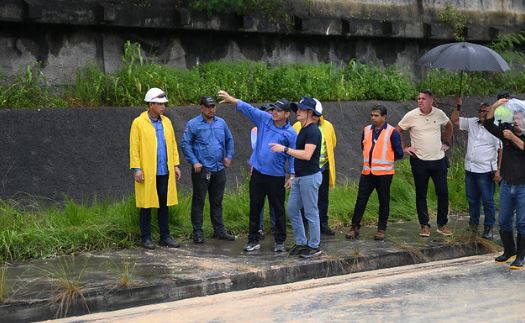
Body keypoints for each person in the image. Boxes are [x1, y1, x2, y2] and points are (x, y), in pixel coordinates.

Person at [218, 90, 296, 253]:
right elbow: (250, 109)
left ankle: (280, 241)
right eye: (274, 109)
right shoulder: (265, 119)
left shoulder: (290, 133)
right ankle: (253, 240)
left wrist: (292, 174)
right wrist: (233, 100)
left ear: (287, 114)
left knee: (278, 208)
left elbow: (293, 155)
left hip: (276, 176)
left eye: (279, 110)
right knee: (255, 206)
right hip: (258, 173)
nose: (275, 112)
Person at [129, 87, 182, 250]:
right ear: (151, 104)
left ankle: (165, 236)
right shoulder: (138, 123)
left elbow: (172, 144)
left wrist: (175, 164)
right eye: (159, 104)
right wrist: (137, 168)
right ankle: (145, 237)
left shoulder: (166, 122)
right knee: (146, 204)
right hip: (147, 170)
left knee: (164, 203)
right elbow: (134, 147)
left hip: (164, 170)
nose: (163, 107)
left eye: (164, 104)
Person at [396, 90, 453, 237]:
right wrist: (404, 148)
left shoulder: (439, 113)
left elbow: (449, 126)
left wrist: (446, 142)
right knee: (421, 193)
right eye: (419, 99)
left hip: (439, 160)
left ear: (431, 101)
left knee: (443, 192)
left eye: (423, 99)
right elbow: (398, 130)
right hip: (419, 161)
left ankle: (442, 224)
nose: (420, 101)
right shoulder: (411, 115)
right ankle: (424, 225)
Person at [271, 97, 323, 259]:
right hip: (300, 177)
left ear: (310, 113)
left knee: (311, 212)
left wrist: (284, 149)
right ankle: (301, 242)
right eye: (297, 109)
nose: (297, 112)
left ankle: (314, 246)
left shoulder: (313, 131)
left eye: (301, 109)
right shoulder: (302, 129)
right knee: (292, 209)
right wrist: (293, 176)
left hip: (310, 177)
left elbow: (307, 155)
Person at [181, 96, 235, 244]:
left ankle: (219, 231)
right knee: (199, 201)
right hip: (202, 169)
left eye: (213, 106)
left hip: (219, 168)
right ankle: (197, 232)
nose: (211, 109)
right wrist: (194, 162)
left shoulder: (221, 123)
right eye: (208, 106)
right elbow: (185, 144)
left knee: (217, 201)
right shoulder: (193, 124)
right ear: (201, 107)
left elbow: (229, 140)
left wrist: (229, 156)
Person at [346, 105, 403, 241]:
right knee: (361, 200)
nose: (373, 118)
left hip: (384, 173)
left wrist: (386, 160)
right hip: (367, 172)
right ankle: (354, 227)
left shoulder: (392, 132)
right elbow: (363, 146)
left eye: (376, 115)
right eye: (372, 115)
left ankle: (381, 229)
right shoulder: (366, 130)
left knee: (383, 201)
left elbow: (399, 153)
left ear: (384, 117)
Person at [450, 98, 502, 239]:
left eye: (484, 111)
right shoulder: (473, 122)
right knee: (472, 200)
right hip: (470, 169)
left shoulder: (495, 127)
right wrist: (458, 104)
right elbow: (454, 120)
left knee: (487, 200)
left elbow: (500, 150)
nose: (481, 113)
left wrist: (498, 170)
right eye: (480, 110)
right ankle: (473, 226)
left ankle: (488, 228)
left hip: (486, 171)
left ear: (490, 112)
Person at [484, 98, 525, 269]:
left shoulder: (514, 135)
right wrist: (495, 106)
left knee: (522, 223)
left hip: (523, 185)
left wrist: (513, 138)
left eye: (520, 117)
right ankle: (510, 251)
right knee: (504, 220)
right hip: (507, 183)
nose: (516, 120)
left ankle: (521, 257)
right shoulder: (506, 131)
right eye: (514, 117)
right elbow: (487, 124)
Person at [292, 98, 337, 236]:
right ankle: (306, 228)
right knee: (304, 203)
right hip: (305, 170)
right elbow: (296, 149)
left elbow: (333, 143)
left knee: (322, 198)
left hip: (322, 168)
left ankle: (323, 224)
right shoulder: (297, 126)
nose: (298, 112)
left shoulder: (328, 126)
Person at [250, 105, 276, 239]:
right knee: (257, 202)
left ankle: (275, 227)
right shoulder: (256, 129)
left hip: (274, 170)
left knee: (274, 201)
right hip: (259, 169)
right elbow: (257, 147)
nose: (271, 115)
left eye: (272, 112)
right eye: (268, 113)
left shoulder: (277, 129)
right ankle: (258, 229)